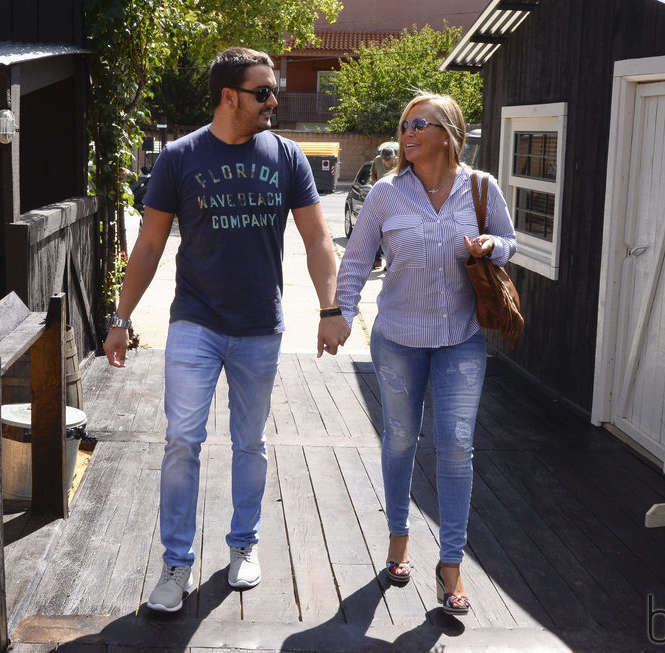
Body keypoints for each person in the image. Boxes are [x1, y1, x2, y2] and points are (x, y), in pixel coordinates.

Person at [103, 46, 350, 614]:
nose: (273, 99)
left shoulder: (288, 157)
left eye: (275, 90)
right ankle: (176, 563)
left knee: (250, 443)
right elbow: (148, 245)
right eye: (263, 91)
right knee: (182, 441)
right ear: (228, 96)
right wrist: (121, 319)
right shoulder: (180, 158)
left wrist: (329, 308)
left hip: (261, 325)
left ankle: (243, 545)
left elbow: (317, 240)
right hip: (195, 321)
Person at [335, 92, 516, 616]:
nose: (407, 133)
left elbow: (510, 241)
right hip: (396, 337)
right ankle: (397, 540)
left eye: (420, 124)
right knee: (398, 439)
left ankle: (451, 564)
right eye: (404, 124)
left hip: (460, 337)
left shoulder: (480, 188)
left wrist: (491, 247)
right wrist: (342, 315)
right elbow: (356, 260)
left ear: (448, 133)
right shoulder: (385, 195)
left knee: (457, 446)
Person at [369, 147, 397, 269]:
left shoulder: (400, 163)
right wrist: (376, 184)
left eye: (389, 160)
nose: (387, 162)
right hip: (380, 199)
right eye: (385, 160)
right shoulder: (377, 161)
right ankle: (377, 260)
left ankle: (389, 262)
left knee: (391, 232)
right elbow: (373, 174)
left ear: (394, 158)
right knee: (377, 231)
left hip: (395, 201)